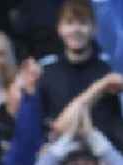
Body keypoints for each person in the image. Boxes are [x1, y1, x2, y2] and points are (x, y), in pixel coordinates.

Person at [37, 0, 123, 147]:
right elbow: (56, 130)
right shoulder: (46, 72)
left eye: (82, 23)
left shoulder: (109, 71)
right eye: (70, 23)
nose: (76, 29)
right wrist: (101, 86)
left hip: (102, 160)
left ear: (94, 29)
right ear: (60, 28)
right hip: (59, 158)